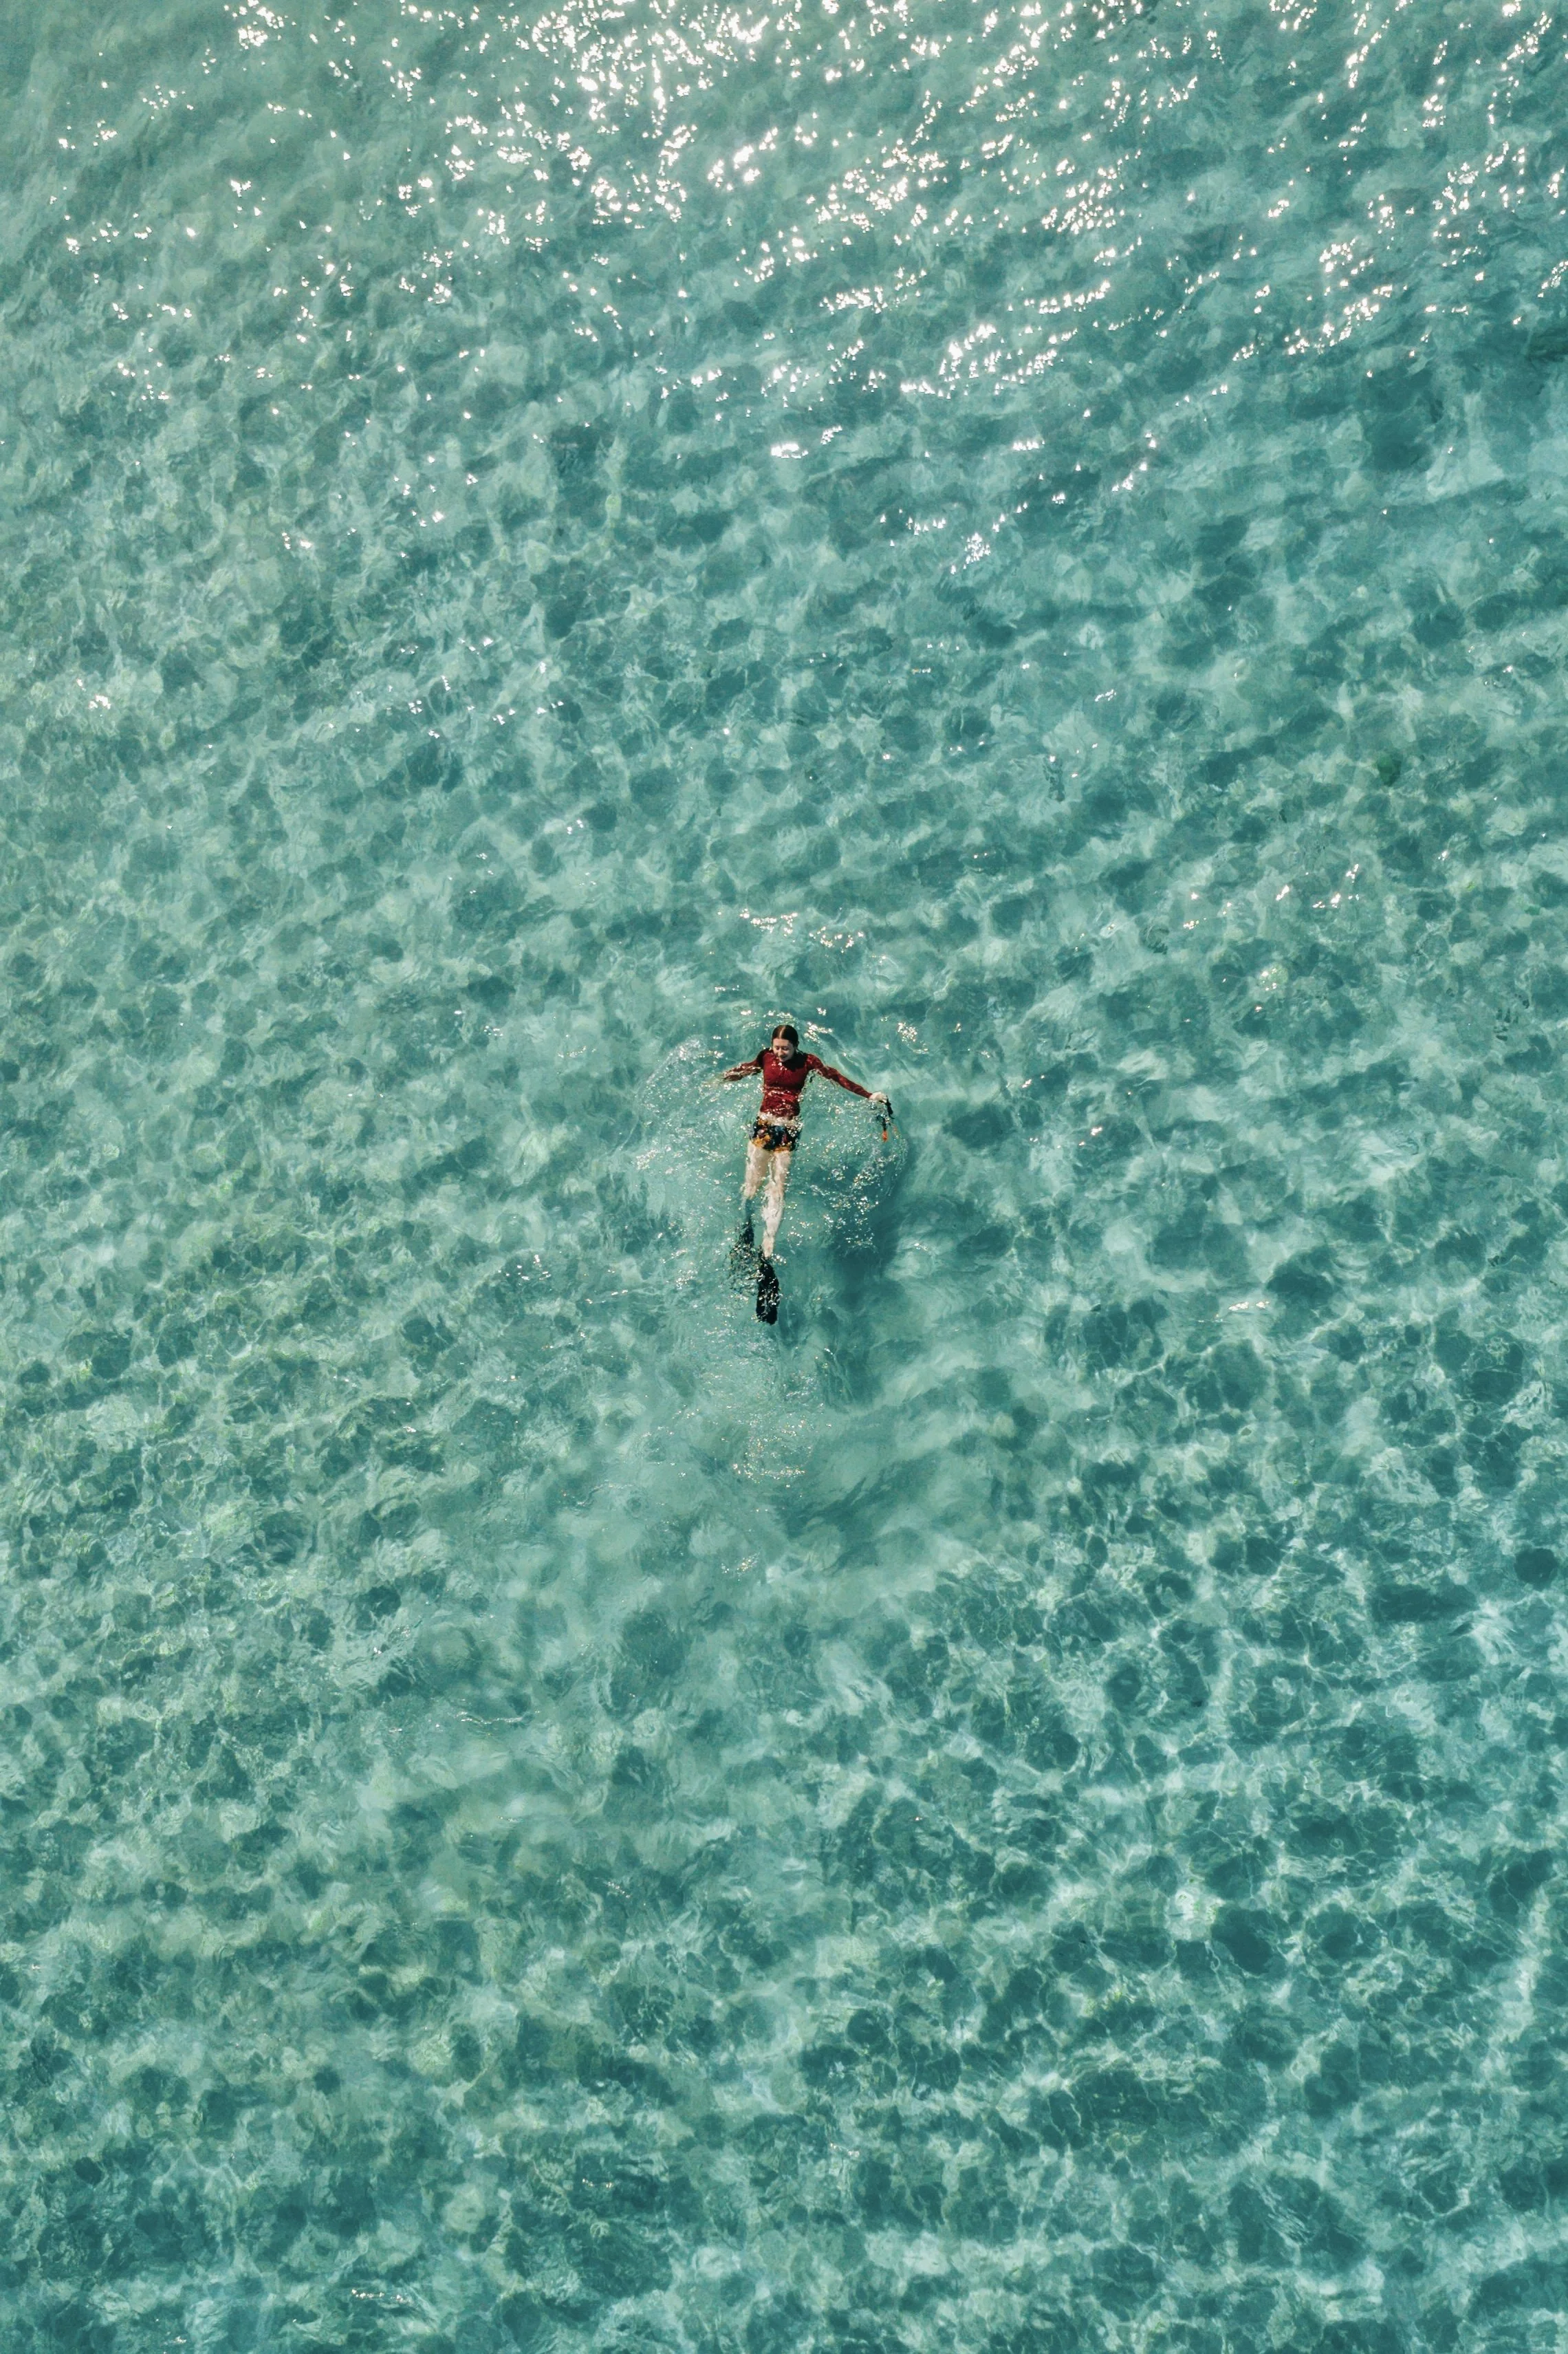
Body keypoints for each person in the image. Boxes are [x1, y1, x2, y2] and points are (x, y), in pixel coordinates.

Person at [719, 1024, 891, 1321]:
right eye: (776, 1047)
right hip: (763, 1125)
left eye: (785, 1048)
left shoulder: (809, 1063)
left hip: (788, 1131)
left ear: (796, 1046)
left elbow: (837, 1079)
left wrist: (868, 1095)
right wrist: (719, 1080)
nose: (780, 1053)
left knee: (777, 1187)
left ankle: (767, 1252)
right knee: (750, 1188)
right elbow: (746, 1070)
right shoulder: (765, 1058)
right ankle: (745, 1233)